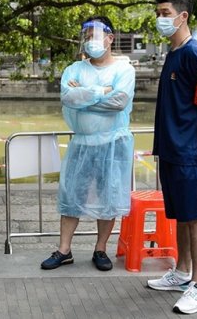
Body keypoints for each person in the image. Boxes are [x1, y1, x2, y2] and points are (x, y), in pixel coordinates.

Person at [40, 16, 135, 272]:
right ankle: (64, 249)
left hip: (113, 143)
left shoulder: (124, 69)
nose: (91, 42)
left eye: (95, 36)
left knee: (109, 195)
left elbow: (119, 103)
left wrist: (84, 93)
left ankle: (101, 248)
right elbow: (67, 98)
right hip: (81, 143)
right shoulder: (74, 69)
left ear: (110, 38)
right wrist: (102, 91)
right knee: (72, 194)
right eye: (87, 37)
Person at [148, 0, 197, 315]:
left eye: (165, 12)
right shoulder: (173, 52)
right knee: (179, 214)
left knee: (195, 217)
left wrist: (186, 125)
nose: (160, 18)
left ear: (182, 16)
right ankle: (181, 272)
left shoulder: (194, 53)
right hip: (171, 151)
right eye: (159, 12)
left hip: (190, 151)